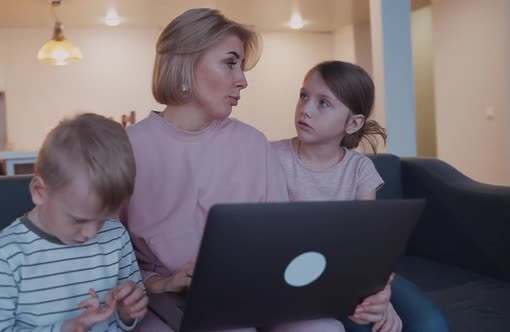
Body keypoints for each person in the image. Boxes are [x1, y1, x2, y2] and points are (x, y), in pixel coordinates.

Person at [122, 7, 345, 332]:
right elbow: (96, 253)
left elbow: (282, 240)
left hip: (253, 291)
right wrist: (160, 283)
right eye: (230, 63)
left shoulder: (253, 143)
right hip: (166, 298)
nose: (242, 80)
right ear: (185, 61)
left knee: (324, 328)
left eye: (241, 66)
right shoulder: (125, 149)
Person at [271, 60, 449, 332]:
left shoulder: (360, 168)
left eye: (323, 103)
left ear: (353, 123)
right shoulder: (272, 157)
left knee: (431, 324)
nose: (305, 109)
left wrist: (380, 295)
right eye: (304, 96)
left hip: (356, 273)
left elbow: (369, 245)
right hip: (303, 277)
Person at [0, 113, 148, 332]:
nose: (92, 233)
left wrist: (128, 312)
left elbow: (133, 315)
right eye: (78, 220)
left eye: (103, 219)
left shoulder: (116, 236)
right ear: (39, 192)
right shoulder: (7, 253)